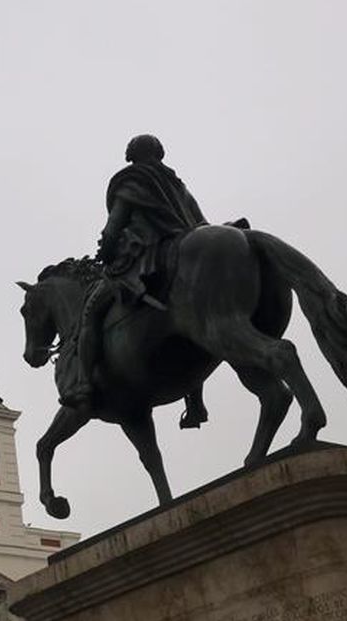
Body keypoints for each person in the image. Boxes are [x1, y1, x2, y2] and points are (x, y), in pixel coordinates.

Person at [59, 134, 209, 427]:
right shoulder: (178, 185)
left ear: (132, 155)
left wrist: (106, 250)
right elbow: (201, 223)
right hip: (181, 249)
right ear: (159, 153)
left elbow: (114, 227)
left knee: (90, 313)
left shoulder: (132, 182)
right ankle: (195, 404)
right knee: (199, 320)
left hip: (143, 257)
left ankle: (83, 384)